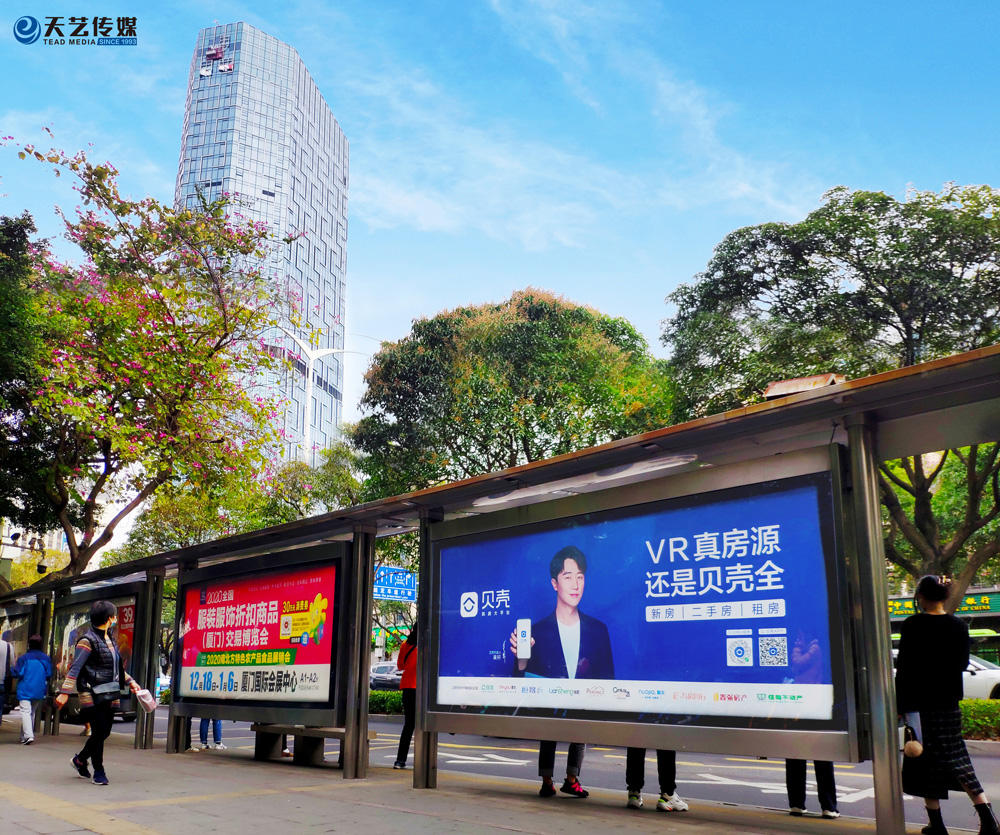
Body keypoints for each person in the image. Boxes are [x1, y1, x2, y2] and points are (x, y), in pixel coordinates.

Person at [896, 575, 1000, 835]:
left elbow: (905, 669)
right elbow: (962, 664)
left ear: (921, 597)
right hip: (948, 703)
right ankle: (987, 818)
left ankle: (937, 823)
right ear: (944, 596)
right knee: (957, 758)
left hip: (920, 705)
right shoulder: (958, 626)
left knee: (924, 763)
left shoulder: (913, 624)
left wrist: (900, 705)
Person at [510, 546, 612, 798]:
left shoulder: (598, 630)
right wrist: (522, 660)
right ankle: (547, 781)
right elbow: (522, 678)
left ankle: (572, 779)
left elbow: (608, 677)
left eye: (580, 576)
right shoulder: (538, 631)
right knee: (549, 733)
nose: (575, 584)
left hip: (583, 700)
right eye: (568, 577)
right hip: (550, 701)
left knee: (580, 734)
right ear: (555, 583)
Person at [54, 600, 141, 786]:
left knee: (104, 731)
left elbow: (116, 668)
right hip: (91, 693)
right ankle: (99, 771)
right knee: (99, 730)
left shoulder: (111, 640)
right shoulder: (87, 641)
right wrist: (65, 692)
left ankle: (80, 760)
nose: (115, 618)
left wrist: (131, 682)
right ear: (109, 618)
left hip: (109, 691)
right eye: (114, 616)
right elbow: (75, 668)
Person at [785, 631, 839, 818]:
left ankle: (814, 805)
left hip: (810, 703)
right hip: (810, 703)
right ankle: (822, 806)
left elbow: (797, 664)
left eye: (800, 635)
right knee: (812, 753)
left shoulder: (813, 648)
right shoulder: (818, 647)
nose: (798, 637)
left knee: (803, 753)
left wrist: (796, 647)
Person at [11, 634, 52, 745]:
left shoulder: (24, 658)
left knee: (25, 712)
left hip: (25, 688)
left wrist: (11, 669)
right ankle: (24, 736)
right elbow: (48, 674)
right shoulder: (46, 659)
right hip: (39, 689)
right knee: (31, 713)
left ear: (29, 645)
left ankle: (29, 736)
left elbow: (18, 673)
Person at [393, 621, 419, 769]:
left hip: (408, 687)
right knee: (426, 724)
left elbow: (400, 666)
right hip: (422, 688)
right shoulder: (428, 644)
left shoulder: (405, 644)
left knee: (409, 725)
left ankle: (400, 760)